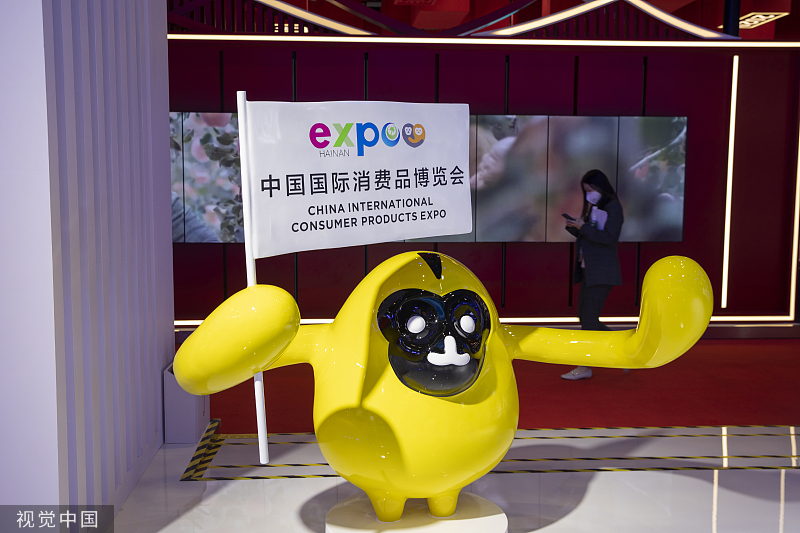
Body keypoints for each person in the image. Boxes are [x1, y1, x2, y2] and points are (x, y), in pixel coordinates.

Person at [561, 169, 624, 380]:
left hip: (602, 271)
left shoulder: (613, 207)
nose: (589, 194)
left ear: (601, 187)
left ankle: (585, 365)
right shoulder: (595, 207)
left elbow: (607, 237)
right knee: (586, 317)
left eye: (591, 189)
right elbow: (590, 235)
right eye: (586, 190)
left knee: (589, 319)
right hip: (589, 270)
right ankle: (623, 350)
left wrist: (583, 227)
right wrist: (576, 227)